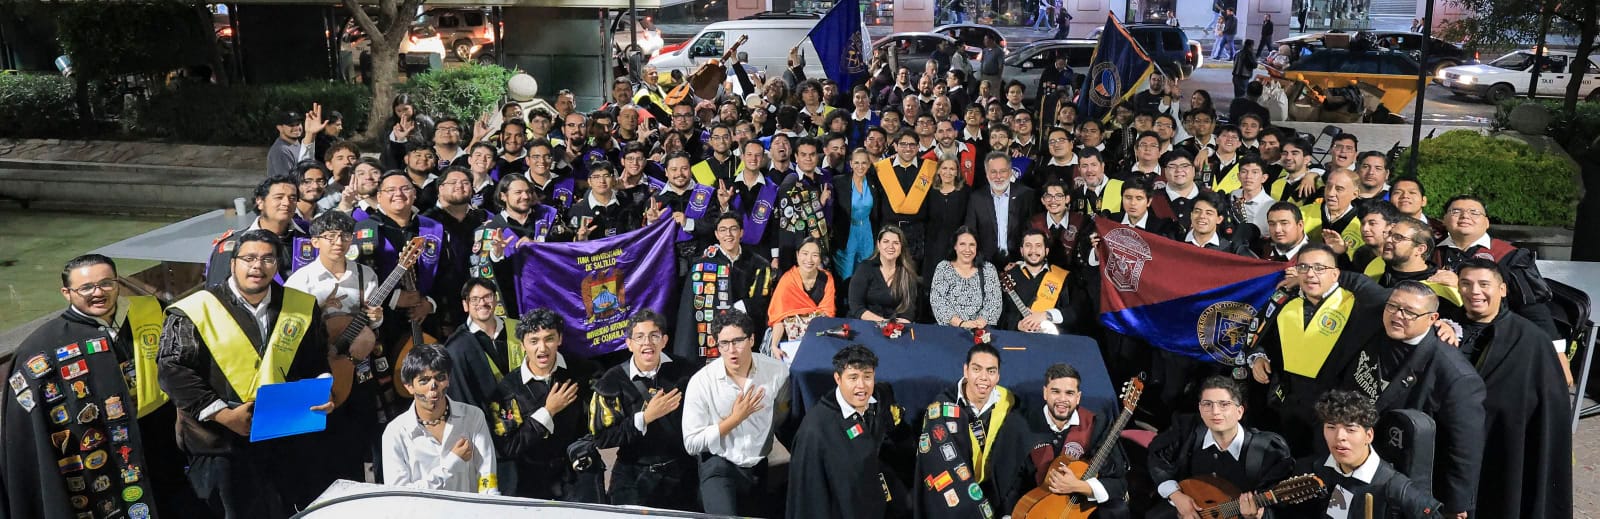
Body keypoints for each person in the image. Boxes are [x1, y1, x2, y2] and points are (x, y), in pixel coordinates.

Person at [157, 230, 335, 517]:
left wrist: (323, 390)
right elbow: (172, 371)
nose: (257, 266)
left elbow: (315, 360)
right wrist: (223, 414)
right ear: (233, 263)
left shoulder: (301, 305)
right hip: (221, 442)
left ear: (277, 265)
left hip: (285, 435)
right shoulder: (194, 309)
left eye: (267, 259)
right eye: (249, 258)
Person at [4, 255, 199, 519]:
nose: (98, 293)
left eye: (106, 283)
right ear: (66, 293)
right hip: (98, 457)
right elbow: (26, 429)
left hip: (160, 442)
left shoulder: (152, 312)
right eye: (86, 287)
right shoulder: (43, 347)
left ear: (117, 283)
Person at [1341, 282, 1485, 518]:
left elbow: (1464, 447)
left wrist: (1456, 504)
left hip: (1408, 483)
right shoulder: (1372, 332)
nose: (1398, 315)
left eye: (1410, 312)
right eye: (1393, 307)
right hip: (1353, 467)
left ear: (1432, 319)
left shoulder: (1455, 374)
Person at [1446, 260, 1573, 519]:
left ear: (1502, 289)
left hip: (1505, 444)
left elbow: (1550, 407)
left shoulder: (1531, 339)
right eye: (1466, 284)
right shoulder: (1442, 325)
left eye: (1484, 284)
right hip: (1451, 444)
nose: (1474, 291)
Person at [1247, 243, 1390, 454]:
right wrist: (1258, 357)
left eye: (1319, 268)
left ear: (1336, 274)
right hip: (1286, 404)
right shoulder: (1283, 300)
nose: (1310, 274)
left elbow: (1397, 301)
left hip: (1334, 410)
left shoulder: (1357, 303)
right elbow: (1256, 338)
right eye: (1303, 267)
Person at [282, 210, 385, 483]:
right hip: (317, 369)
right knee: (321, 441)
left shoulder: (365, 274)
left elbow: (373, 323)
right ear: (315, 241)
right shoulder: (301, 280)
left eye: (344, 236)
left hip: (356, 367)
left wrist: (376, 317)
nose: (338, 242)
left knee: (357, 439)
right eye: (330, 236)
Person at [681, 310, 791, 516]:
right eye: (724, 343)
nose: (731, 350)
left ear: (751, 340)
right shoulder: (701, 382)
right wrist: (735, 419)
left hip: (758, 465)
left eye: (737, 341)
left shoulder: (777, 371)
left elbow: (782, 415)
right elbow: (691, 443)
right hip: (719, 464)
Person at [1268, 391, 1444, 518]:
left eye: (1350, 429)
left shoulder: (1395, 488)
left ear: (1369, 435)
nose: (1339, 437)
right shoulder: (1315, 469)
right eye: (1331, 427)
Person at [589, 310, 699, 510]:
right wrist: (646, 417)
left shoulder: (687, 372)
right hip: (632, 478)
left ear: (664, 341)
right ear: (629, 343)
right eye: (639, 337)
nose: (647, 343)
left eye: (654, 336)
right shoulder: (611, 381)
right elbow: (602, 438)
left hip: (682, 474)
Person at [786, 345, 910, 519]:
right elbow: (809, 497)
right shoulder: (815, 431)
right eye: (853, 378)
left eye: (867, 376)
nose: (862, 386)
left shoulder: (880, 397)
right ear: (838, 378)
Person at [487, 308, 599, 500]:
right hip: (532, 482)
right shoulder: (507, 389)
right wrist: (548, 411)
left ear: (560, 339)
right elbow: (508, 446)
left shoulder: (583, 371)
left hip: (579, 476)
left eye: (549, 339)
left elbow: (600, 424)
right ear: (522, 344)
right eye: (534, 341)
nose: (542, 348)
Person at [1146, 376, 1294, 519]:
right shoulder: (1187, 429)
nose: (1215, 412)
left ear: (1239, 412)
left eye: (1224, 404)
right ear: (1200, 409)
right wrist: (1176, 495)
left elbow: (1281, 510)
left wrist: (1257, 516)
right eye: (1207, 404)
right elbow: (1157, 456)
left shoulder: (1268, 450)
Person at [1002, 363, 1130, 517]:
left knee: (1117, 510)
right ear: (1045, 393)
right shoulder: (1022, 424)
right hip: (1037, 508)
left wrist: (1078, 486)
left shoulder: (1095, 425)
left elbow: (1118, 482)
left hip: (1079, 507)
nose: (1062, 399)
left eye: (1069, 393)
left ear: (1078, 397)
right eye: (1055, 391)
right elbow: (1008, 478)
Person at [1434, 195, 1563, 346]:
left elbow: (1532, 308)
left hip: (1494, 340)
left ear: (1487, 222)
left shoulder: (1510, 256)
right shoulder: (1428, 251)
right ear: (1444, 219)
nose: (1465, 216)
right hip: (1438, 335)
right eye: (1456, 211)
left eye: (1474, 212)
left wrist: (1555, 349)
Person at [914, 344, 1025, 518]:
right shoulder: (942, 409)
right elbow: (937, 467)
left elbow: (1013, 457)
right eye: (976, 369)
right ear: (966, 371)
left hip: (994, 493)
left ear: (998, 375)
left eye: (991, 371)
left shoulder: (1008, 401)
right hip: (957, 497)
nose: (984, 377)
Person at [381, 343, 499, 494]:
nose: (433, 385)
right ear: (409, 386)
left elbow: (487, 474)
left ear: (449, 379)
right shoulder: (395, 432)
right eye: (424, 380)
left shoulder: (473, 417)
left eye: (440, 377)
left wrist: (489, 501)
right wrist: (451, 464)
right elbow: (399, 494)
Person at [674, 212, 776, 364]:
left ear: (741, 232)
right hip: (711, 338)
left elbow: (762, 299)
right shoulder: (702, 266)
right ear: (716, 234)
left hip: (746, 332)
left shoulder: (759, 264)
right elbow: (690, 309)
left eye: (733, 229)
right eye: (723, 230)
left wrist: (737, 307)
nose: (728, 234)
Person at [475, 174, 561, 320]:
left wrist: (540, 246)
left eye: (528, 191)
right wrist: (496, 254)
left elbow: (564, 252)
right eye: (518, 192)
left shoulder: (548, 218)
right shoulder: (490, 230)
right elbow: (485, 277)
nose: (525, 196)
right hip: (513, 308)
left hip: (549, 301)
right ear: (503, 196)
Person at [205, 175, 312, 288]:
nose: (287, 203)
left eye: (292, 198)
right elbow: (217, 291)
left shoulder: (310, 238)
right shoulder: (235, 245)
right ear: (260, 202)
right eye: (279, 197)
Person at [422, 166, 491, 330]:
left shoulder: (484, 219)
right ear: (440, 188)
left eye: (465, 183)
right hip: (439, 306)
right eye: (453, 182)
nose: (460, 186)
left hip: (480, 301)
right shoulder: (425, 223)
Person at [441, 279, 518, 415]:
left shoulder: (519, 329)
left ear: (495, 299)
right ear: (465, 305)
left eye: (487, 297)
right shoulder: (456, 348)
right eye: (475, 299)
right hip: (486, 420)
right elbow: (460, 396)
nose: (482, 303)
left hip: (532, 414)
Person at [1000, 229, 1087, 334]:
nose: (1033, 250)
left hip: (1053, 340)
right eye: (1028, 245)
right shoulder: (1008, 276)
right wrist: (1017, 325)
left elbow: (1075, 311)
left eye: (1038, 246)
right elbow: (999, 315)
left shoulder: (1064, 277)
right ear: (1021, 251)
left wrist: (1046, 315)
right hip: (1016, 338)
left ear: (1046, 251)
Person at [875, 131, 939, 260]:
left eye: (912, 145)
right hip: (889, 230)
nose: (908, 148)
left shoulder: (929, 168)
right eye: (903, 144)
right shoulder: (881, 168)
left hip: (918, 231)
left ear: (918, 147)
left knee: (915, 270)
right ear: (895, 146)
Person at [767, 238, 837, 353]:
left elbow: (828, 313)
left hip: (819, 335)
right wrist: (774, 346)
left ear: (820, 258)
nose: (809, 259)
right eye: (805, 253)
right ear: (797, 255)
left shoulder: (827, 278)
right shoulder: (788, 280)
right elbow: (778, 318)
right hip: (790, 341)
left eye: (815, 255)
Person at [966, 152, 1037, 265]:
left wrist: (1022, 262)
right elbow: (970, 233)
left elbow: (1033, 232)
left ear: (1010, 172)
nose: (998, 176)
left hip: (1019, 263)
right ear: (987, 174)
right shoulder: (976, 198)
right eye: (993, 172)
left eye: (1003, 171)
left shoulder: (1026, 195)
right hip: (985, 264)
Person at [931, 227, 1004, 330]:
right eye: (962, 244)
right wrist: (961, 323)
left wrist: (980, 322)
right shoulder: (943, 267)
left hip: (980, 328)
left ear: (977, 247)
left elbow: (994, 301)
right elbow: (938, 301)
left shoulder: (988, 269)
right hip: (950, 329)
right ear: (955, 246)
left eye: (972, 245)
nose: (967, 249)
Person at [832, 148, 884, 282]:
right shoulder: (839, 182)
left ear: (869, 164)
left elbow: (878, 210)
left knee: (866, 269)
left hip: (867, 231)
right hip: (847, 232)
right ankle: (845, 295)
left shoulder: (874, 182)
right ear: (850, 164)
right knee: (846, 271)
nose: (860, 167)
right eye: (856, 163)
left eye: (864, 163)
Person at [850, 226, 920, 323]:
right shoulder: (865, 268)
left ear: (901, 247)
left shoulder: (907, 272)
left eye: (896, 243)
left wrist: (897, 326)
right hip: (866, 323)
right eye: (886, 241)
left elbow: (908, 310)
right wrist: (884, 323)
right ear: (878, 245)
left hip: (895, 326)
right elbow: (856, 307)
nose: (891, 246)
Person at [922, 158, 972, 283]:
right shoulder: (929, 191)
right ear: (938, 170)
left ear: (957, 172)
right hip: (933, 247)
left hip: (957, 247)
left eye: (952, 169)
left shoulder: (966, 191)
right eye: (944, 168)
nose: (948, 172)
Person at [567, 160, 637, 240]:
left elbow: (636, 237)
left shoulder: (628, 206)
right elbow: (567, 243)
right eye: (596, 177)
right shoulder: (577, 210)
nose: (602, 181)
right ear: (589, 181)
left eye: (606, 176)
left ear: (613, 179)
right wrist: (580, 239)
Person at [1029, 180, 1090, 269]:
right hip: (1041, 274)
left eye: (1058, 196)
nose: (1053, 201)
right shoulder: (1033, 223)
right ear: (1043, 200)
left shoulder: (1081, 222)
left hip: (1074, 274)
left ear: (1067, 199)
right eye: (1048, 196)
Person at [1148, 149, 1209, 232]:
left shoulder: (1210, 197)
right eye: (1172, 166)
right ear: (1165, 171)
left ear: (1193, 170)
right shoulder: (1152, 199)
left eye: (1184, 166)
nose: (1179, 170)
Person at [268, 107, 324, 178]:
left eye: (298, 124)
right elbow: (286, 180)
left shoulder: (296, 143)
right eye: (291, 125)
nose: (296, 128)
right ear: (280, 128)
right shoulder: (280, 150)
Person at [1231, 157, 1278, 236]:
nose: (1248, 176)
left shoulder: (1272, 206)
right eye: (1244, 172)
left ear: (1264, 178)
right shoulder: (1232, 195)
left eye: (1255, 172)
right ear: (1238, 176)